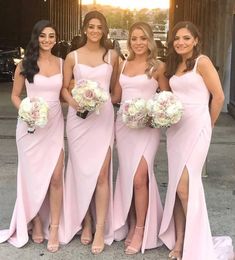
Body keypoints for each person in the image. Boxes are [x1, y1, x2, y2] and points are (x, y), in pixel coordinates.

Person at [159, 21, 233, 260]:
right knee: (177, 189)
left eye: (186, 38)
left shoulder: (203, 62)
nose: (181, 42)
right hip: (176, 130)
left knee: (185, 187)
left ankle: (196, 241)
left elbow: (219, 96)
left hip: (198, 127)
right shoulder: (173, 64)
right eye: (177, 38)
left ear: (196, 40)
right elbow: (166, 93)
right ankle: (181, 241)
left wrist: (208, 125)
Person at [0, 20, 64, 253]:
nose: (47, 40)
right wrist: (27, 111)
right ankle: (35, 220)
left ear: (56, 39)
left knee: (56, 177)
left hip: (54, 125)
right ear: (36, 37)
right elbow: (15, 96)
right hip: (29, 127)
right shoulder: (25, 65)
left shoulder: (62, 63)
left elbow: (66, 93)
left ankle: (54, 227)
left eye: (51, 36)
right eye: (43, 36)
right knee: (31, 176)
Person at [61, 11, 119, 254]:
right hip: (79, 121)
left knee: (102, 175)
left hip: (103, 120)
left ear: (104, 30)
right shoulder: (72, 56)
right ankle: (85, 222)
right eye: (91, 26)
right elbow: (64, 89)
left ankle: (100, 228)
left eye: (99, 27)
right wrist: (76, 105)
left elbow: (117, 90)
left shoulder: (113, 56)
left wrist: (105, 105)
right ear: (85, 29)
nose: (95, 30)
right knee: (81, 172)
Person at [112, 21, 170, 254]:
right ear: (129, 41)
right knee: (128, 176)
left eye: (143, 38)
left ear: (150, 41)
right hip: (124, 126)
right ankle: (131, 220)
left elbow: (166, 98)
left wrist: (153, 114)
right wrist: (87, 95)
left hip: (147, 128)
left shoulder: (158, 66)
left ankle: (140, 230)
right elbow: (116, 96)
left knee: (139, 178)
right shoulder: (122, 63)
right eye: (134, 38)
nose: (138, 43)